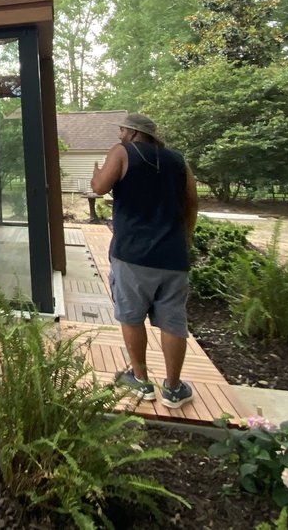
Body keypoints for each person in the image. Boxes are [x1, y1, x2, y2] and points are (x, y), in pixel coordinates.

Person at [91, 113, 199, 408]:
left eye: (122, 131)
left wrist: (96, 172)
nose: (120, 136)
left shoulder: (122, 152)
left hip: (133, 254)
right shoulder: (178, 160)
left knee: (131, 315)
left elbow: (100, 187)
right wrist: (184, 239)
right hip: (173, 256)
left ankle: (140, 380)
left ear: (131, 132)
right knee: (173, 321)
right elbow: (191, 202)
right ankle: (174, 388)